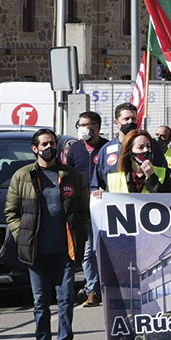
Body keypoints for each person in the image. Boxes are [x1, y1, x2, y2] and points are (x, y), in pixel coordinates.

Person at [5, 129, 90, 340]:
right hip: (37, 252)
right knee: (41, 303)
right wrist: (22, 235)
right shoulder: (22, 176)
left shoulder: (71, 176)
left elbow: (84, 210)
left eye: (52, 143)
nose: (49, 147)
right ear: (35, 148)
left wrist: (81, 234)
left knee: (65, 301)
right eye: (44, 144)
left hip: (65, 251)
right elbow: (11, 212)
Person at [98, 129, 171, 340]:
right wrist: (98, 197)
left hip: (152, 249)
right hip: (124, 251)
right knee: (128, 308)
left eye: (148, 147)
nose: (145, 152)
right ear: (129, 151)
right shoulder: (116, 178)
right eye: (140, 148)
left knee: (151, 305)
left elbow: (168, 202)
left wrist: (152, 178)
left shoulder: (161, 173)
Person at [64, 111, 107, 308]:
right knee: (89, 251)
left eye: (85, 125)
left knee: (104, 249)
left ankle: (109, 287)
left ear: (96, 127)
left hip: (104, 205)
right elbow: (67, 175)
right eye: (79, 125)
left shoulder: (107, 148)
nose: (81, 129)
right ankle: (93, 290)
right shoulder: (74, 149)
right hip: (84, 207)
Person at [91, 103, 167, 192]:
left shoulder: (152, 145)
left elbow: (163, 175)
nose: (130, 122)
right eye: (126, 119)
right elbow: (97, 183)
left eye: (134, 119)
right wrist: (98, 192)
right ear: (117, 123)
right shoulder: (106, 150)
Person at [153, 125, 171, 191]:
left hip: (169, 192)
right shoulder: (148, 153)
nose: (158, 138)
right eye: (157, 134)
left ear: (169, 140)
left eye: (163, 136)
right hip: (151, 190)